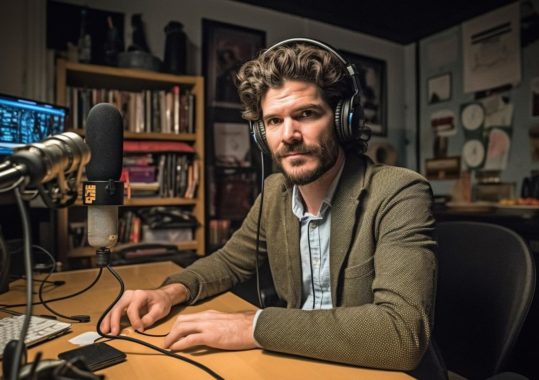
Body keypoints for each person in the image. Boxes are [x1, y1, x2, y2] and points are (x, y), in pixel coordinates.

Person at [101, 38, 444, 377]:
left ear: (343, 119)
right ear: (260, 133)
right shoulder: (275, 193)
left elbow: (402, 333)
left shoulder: (398, 191)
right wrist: (169, 292)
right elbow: (228, 261)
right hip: (299, 362)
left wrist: (255, 326)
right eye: (274, 121)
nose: (288, 135)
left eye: (306, 114)